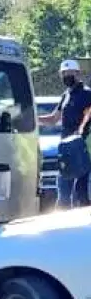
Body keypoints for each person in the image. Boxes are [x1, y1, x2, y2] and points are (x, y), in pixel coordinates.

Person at [37, 59, 91, 209]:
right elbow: (54, 119)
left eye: (70, 73)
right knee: (63, 190)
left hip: (81, 149)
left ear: (78, 74)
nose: (66, 76)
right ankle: (60, 223)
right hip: (66, 150)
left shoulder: (87, 95)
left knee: (80, 192)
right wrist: (34, 120)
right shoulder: (65, 95)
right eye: (64, 74)